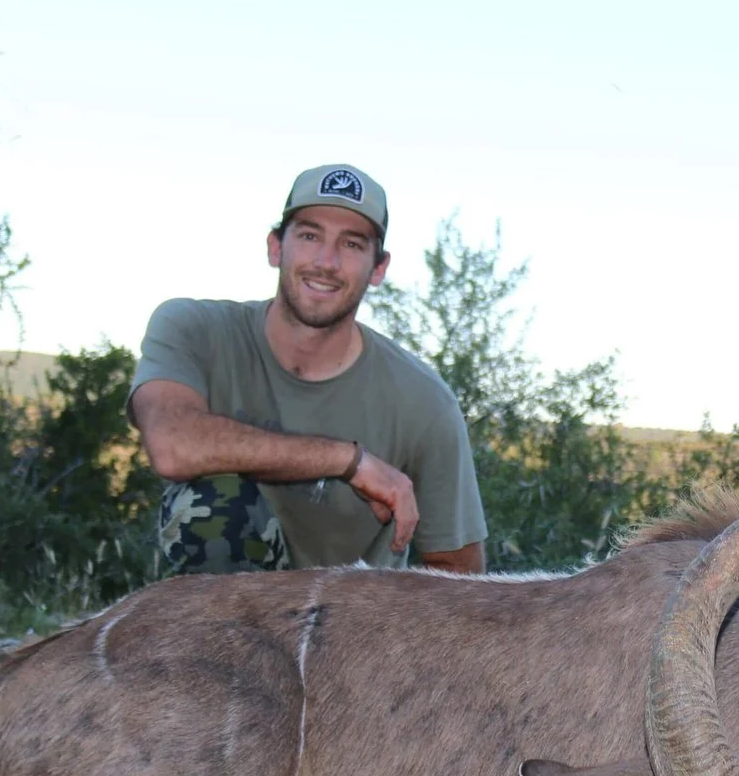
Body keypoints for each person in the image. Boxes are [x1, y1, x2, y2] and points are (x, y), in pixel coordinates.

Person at [128, 163, 489, 574]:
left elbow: (460, 574)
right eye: (309, 235)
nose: (326, 261)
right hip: (225, 626)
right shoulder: (192, 328)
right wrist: (350, 462)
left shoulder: (424, 401)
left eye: (352, 245)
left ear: (378, 268)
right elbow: (172, 445)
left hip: (346, 630)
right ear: (275, 247)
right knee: (215, 501)